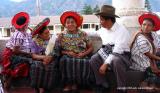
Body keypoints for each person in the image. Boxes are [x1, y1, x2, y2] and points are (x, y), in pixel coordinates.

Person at [89, 5, 131, 91]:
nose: (100, 22)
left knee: (116, 61)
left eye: (101, 19)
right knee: (93, 59)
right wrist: (77, 32)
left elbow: (117, 51)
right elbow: (93, 33)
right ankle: (103, 84)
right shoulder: (103, 30)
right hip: (107, 52)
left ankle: (122, 88)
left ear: (109, 20)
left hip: (121, 55)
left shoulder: (121, 30)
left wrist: (105, 64)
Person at [56, 11, 94, 93]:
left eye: (72, 22)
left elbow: (91, 47)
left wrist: (83, 54)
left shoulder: (83, 34)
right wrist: (67, 53)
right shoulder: (61, 35)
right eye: (68, 23)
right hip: (67, 55)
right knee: (65, 61)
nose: (70, 24)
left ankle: (77, 83)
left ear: (76, 23)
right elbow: (58, 50)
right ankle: (68, 84)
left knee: (84, 62)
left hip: (81, 55)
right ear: (65, 25)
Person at [2, 12, 33, 89]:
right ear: (24, 25)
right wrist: (28, 54)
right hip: (10, 55)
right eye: (27, 24)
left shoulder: (23, 33)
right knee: (27, 61)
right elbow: (15, 51)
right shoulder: (19, 35)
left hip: (14, 53)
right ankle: (8, 79)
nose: (28, 25)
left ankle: (8, 79)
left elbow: (32, 34)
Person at [130, 12, 160, 92]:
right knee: (154, 68)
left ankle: (149, 84)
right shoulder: (140, 37)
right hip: (141, 60)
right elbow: (148, 54)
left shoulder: (153, 34)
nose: (145, 27)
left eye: (149, 25)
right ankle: (146, 85)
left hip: (151, 57)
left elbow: (158, 46)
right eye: (144, 24)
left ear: (153, 27)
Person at [29, 18, 57, 93]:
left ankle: (48, 87)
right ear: (40, 35)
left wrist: (50, 58)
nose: (48, 34)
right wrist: (44, 57)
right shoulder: (34, 41)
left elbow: (57, 51)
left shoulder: (53, 39)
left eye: (48, 32)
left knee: (50, 66)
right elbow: (34, 55)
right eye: (46, 33)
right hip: (39, 58)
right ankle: (40, 87)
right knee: (36, 66)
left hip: (52, 58)